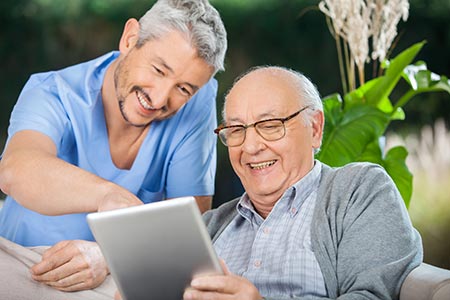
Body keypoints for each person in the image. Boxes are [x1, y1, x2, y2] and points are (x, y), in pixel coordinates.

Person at [0, 0, 227, 293]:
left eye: (183, 89)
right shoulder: (52, 93)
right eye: (158, 70)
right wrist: (111, 197)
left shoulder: (197, 100)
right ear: (130, 39)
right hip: (26, 264)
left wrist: (109, 253)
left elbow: (191, 219)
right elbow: (15, 171)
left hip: (126, 268)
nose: (159, 100)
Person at [182, 66, 423, 300]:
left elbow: (373, 295)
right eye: (236, 129)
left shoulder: (358, 192)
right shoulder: (211, 225)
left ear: (315, 129)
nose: (250, 147)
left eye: (270, 126)